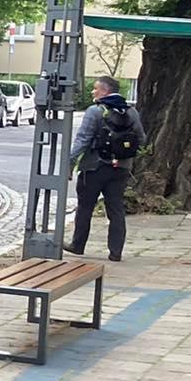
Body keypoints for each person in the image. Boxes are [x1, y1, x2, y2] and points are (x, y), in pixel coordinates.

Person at [67, 75, 145, 262]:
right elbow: (141, 140)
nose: (93, 92)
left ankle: (78, 245)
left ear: (105, 91)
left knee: (85, 207)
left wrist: (69, 163)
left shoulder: (95, 111)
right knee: (116, 209)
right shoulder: (131, 112)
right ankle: (115, 251)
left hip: (94, 167)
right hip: (121, 169)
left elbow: (83, 140)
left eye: (95, 89)